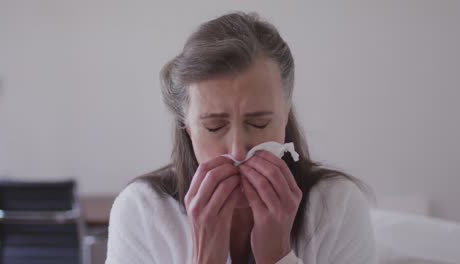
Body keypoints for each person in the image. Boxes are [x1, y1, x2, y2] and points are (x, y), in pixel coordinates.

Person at [106, 12, 376, 264]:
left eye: (259, 123)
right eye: (213, 127)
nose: (237, 151)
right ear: (187, 127)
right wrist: (206, 257)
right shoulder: (141, 211)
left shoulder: (337, 206)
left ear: (285, 116)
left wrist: (277, 255)